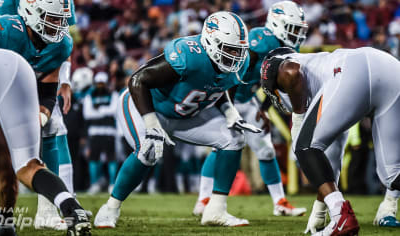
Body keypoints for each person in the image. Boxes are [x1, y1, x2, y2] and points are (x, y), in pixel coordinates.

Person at [94, 11, 262, 228]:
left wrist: (231, 113)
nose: (236, 55)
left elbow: (222, 87)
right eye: (229, 49)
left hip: (185, 114)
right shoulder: (189, 55)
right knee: (148, 150)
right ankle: (110, 208)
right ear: (211, 42)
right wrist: (151, 125)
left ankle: (216, 210)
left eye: (239, 50)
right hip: (146, 106)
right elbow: (137, 81)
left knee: (235, 138)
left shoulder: (239, 60)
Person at [261, 46, 400, 235]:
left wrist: (299, 115)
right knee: (392, 176)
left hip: (352, 70)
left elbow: (290, 71)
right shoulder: (323, 81)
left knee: (304, 146)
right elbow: (331, 159)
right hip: (390, 67)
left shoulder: (275, 63)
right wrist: (320, 210)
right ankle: (339, 215)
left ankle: (342, 218)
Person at [0, 0, 87, 232]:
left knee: (17, 166)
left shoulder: (61, 44)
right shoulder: (7, 29)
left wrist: (40, 116)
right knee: (17, 162)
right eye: (53, 20)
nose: (60, 26)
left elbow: (48, 93)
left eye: (61, 20)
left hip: (15, 88)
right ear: (32, 13)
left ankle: (55, 208)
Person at [193, 0, 308, 217]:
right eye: (293, 28)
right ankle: (203, 199)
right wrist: (229, 108)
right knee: (221, 147)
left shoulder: (291, 48)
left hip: (248, 100)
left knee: (266, 150)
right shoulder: (260, 40)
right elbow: (236, 73)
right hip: (228, 97)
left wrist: (264, 108)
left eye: (299, 30)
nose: (297, 35)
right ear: (277, 23)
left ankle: (280, 202)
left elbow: (273, 82)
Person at [83, 71, 119, 194]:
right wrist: (105, 111)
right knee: (94, 159)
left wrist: (99, 110)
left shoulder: (113, 94)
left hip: (109, 131)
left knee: (111, 158)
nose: (100, 85)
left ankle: (112, 184)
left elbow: (114, 111)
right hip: (95, 132)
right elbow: (87, 114)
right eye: (98, 83)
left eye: (102, 83)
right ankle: (94, 184)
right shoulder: (89, 96)